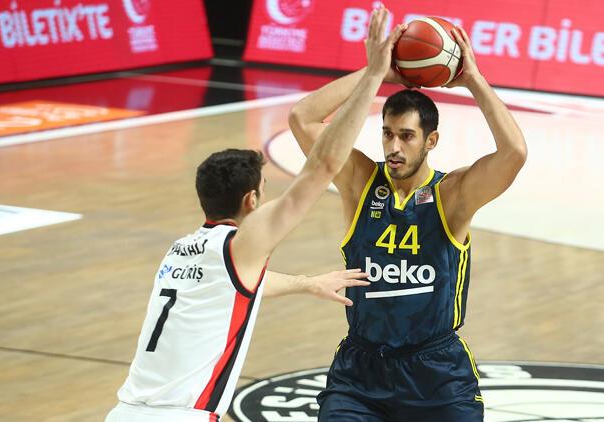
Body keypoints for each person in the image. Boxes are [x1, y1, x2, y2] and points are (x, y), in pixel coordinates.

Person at [105, 10, 406, 422]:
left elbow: (242, 284)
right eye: (264, 190)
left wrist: (306, 283)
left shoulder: (183, 251)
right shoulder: (242, 244)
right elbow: (322, 166)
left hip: (124, 411)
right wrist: (373, 76)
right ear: (251, 200)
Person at [289, 12, 527, 421]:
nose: (394, 147)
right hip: (361, 372)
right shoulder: (361, 183)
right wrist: (376, 74)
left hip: (436, 374)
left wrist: (473, 80)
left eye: (406, 136)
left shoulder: (452, 194)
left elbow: (514, 153)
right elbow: (302, 118)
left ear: (431, 140)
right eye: (387, 133)